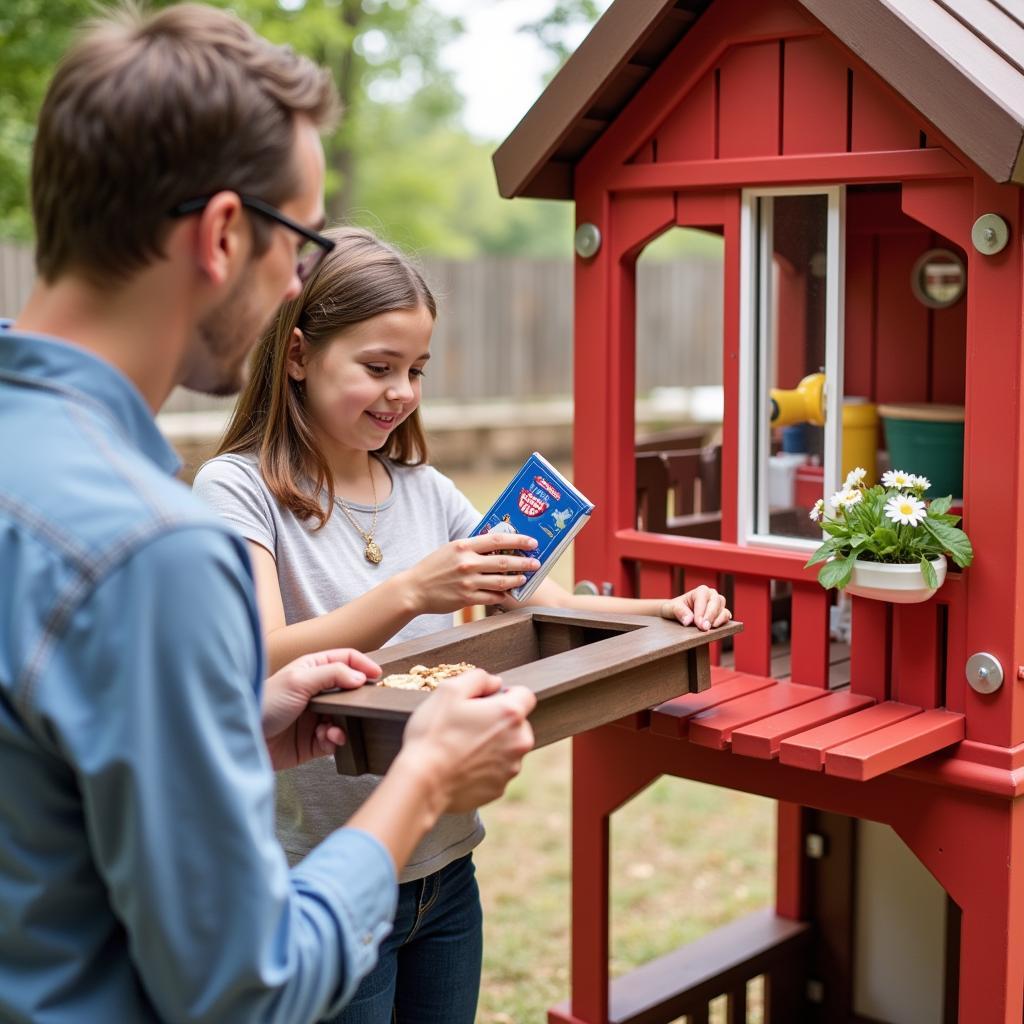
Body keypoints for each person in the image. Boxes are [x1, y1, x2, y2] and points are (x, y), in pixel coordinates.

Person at [0, 6, 535, 1023]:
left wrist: (233, 727)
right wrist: (420, 780)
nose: (298, 281)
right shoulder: (152, 549)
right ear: (222, 235)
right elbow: (251, 984)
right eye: (299, 242)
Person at [192, 226, 732, 1024]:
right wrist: (410, 592)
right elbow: (260, 656)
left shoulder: (422, 487)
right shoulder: (237, 490)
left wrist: (660, 608)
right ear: (299, 355)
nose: (401, 391)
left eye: (415, 370)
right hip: (325, 874)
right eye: (377, 368)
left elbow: (530, 597)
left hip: (447, 867)